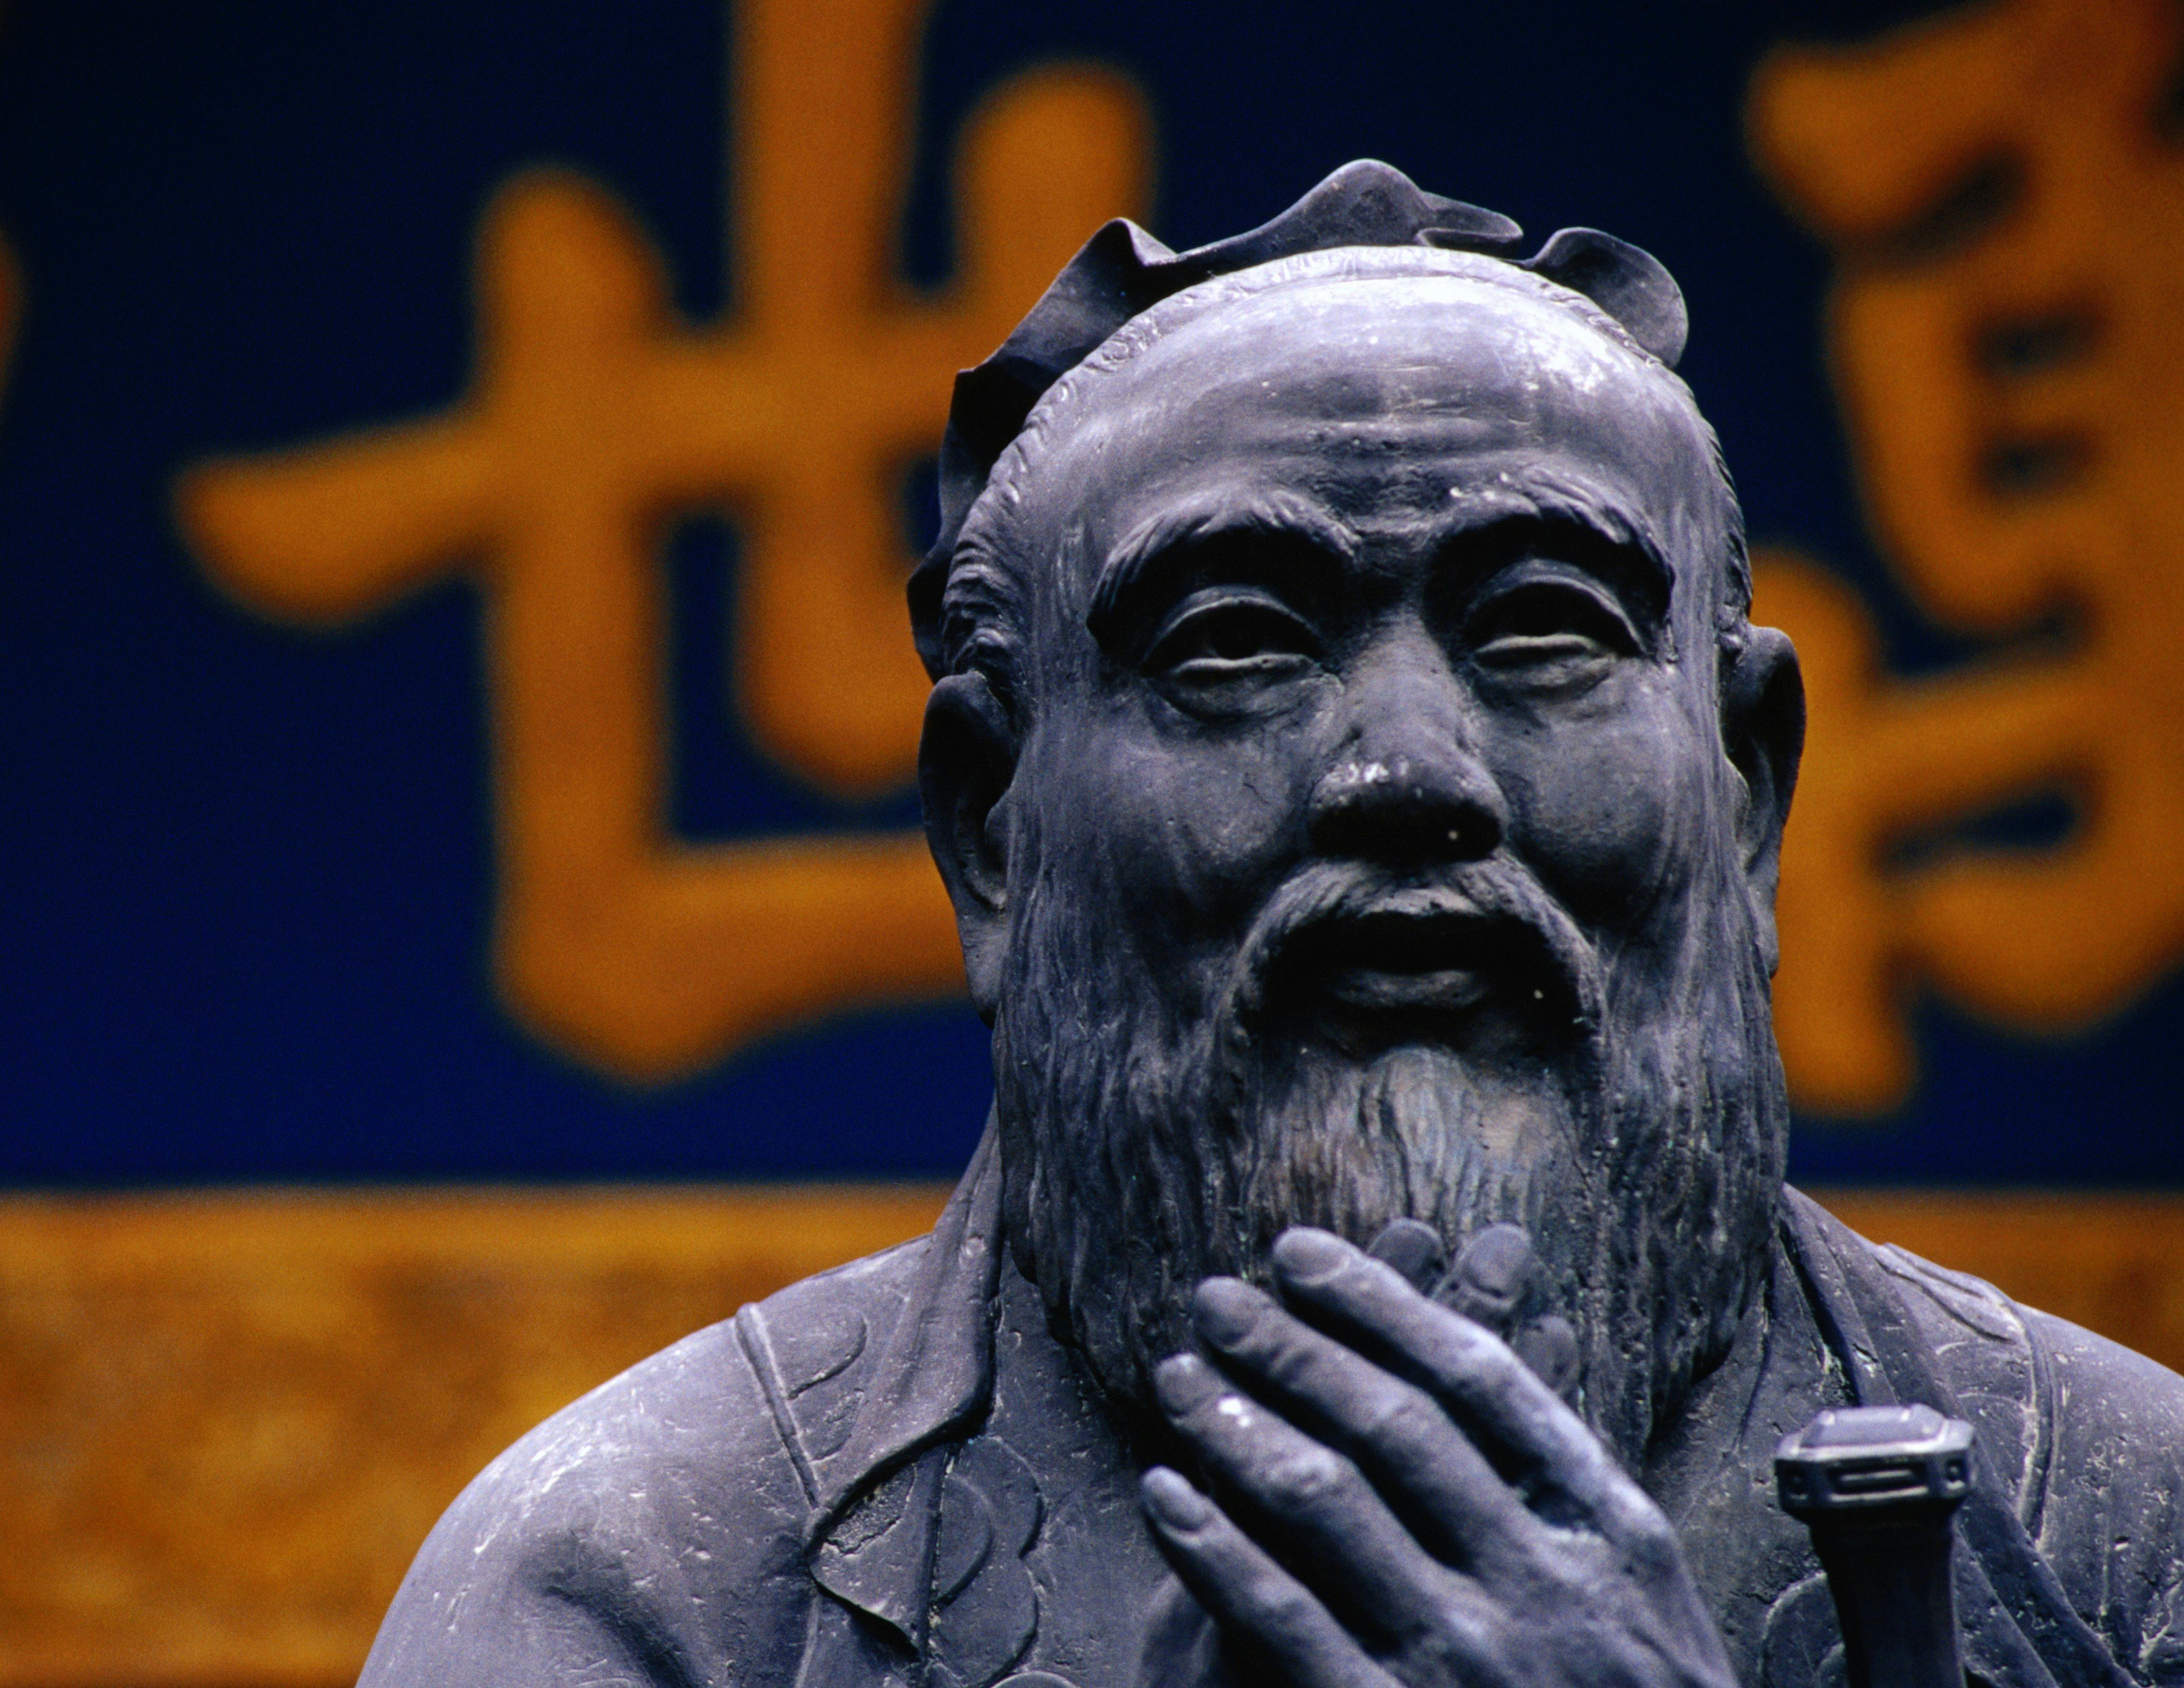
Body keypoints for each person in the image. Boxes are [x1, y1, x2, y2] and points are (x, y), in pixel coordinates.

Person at [358, 163, 2184, 1688]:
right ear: (988, 828)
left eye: (1540, 624)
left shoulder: (2128, 1524)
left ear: (1751, 784)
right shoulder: (657, 1587)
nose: (1407, 773)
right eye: (1233, 640)